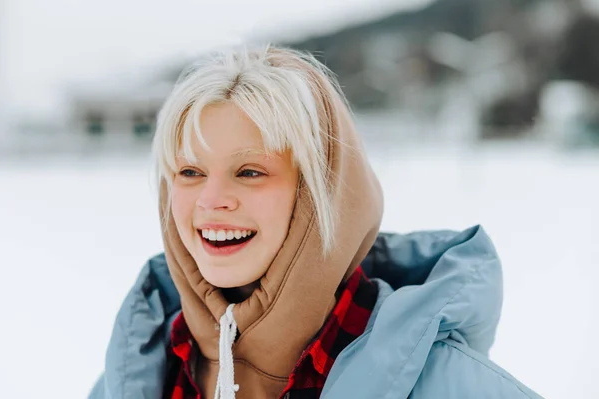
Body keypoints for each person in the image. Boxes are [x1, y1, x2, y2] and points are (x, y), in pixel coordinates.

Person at [88, 45, 542, 399]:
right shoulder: (138, 372)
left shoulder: (439, 381)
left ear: (318, 194)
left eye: (250, 172)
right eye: (190, 172)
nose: (210, 201)